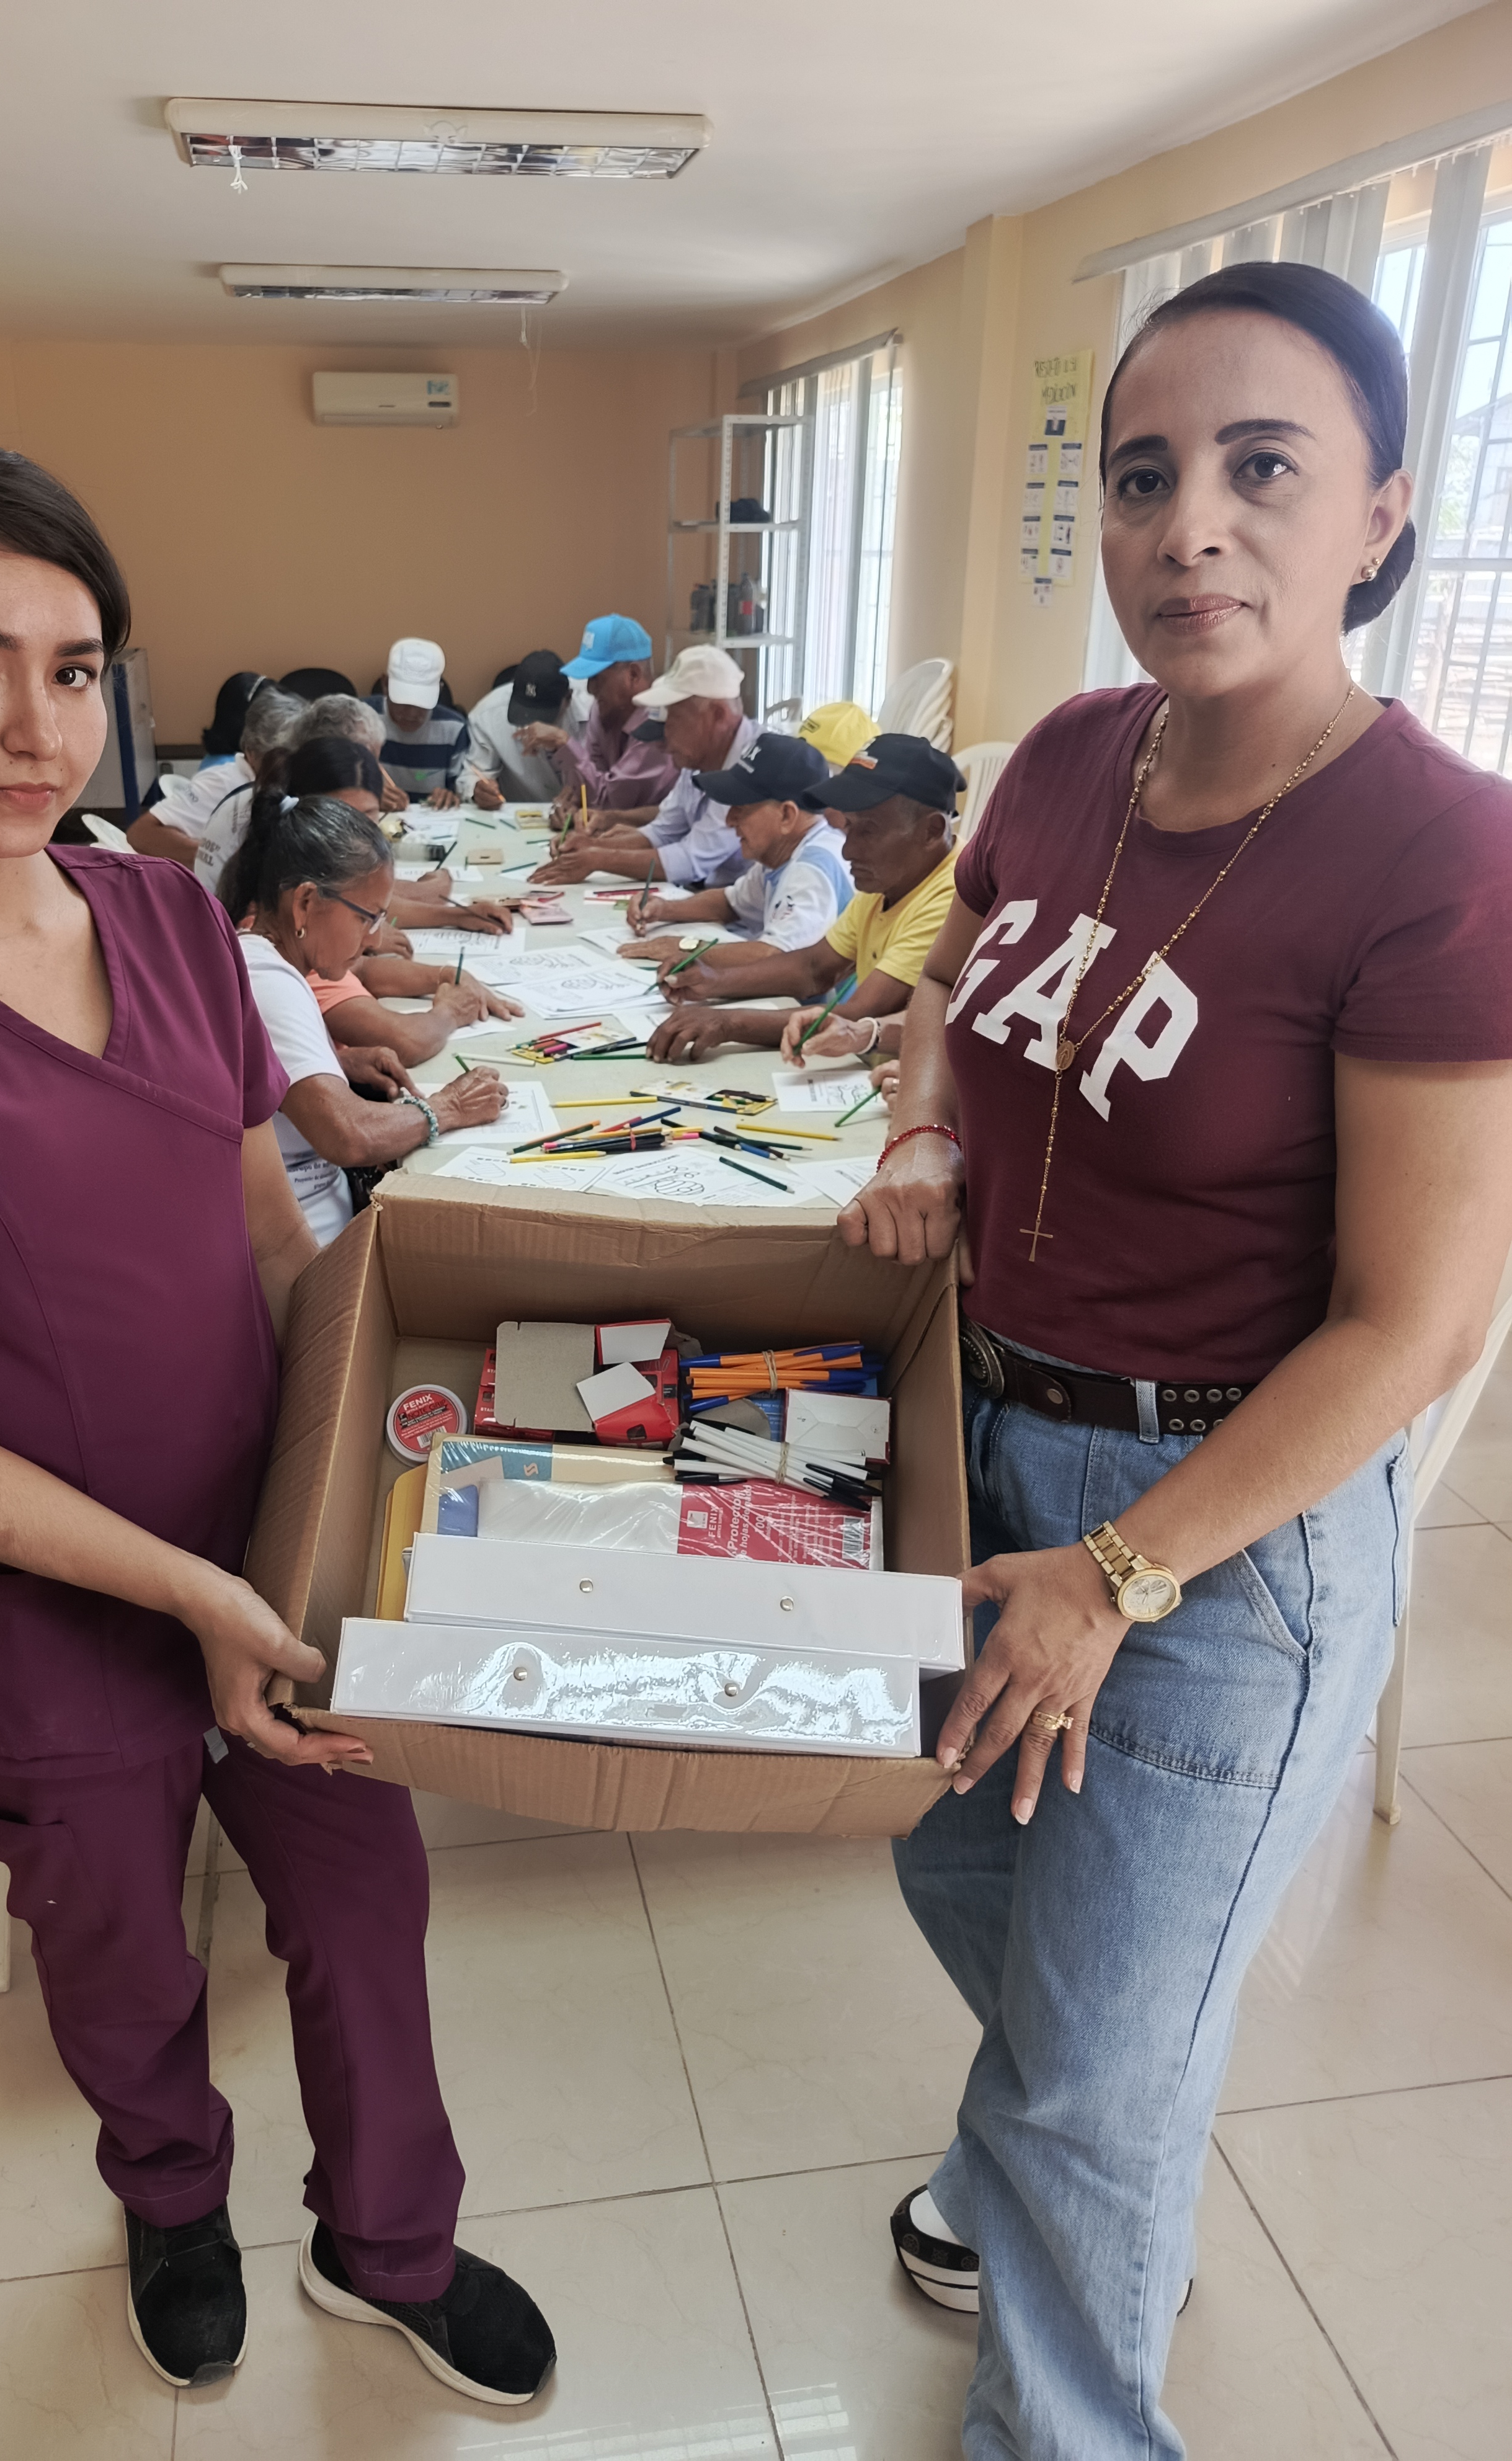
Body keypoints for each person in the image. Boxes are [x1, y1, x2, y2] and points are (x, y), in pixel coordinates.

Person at [0, 428, 555, 2406]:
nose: (36, 728)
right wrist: (186, 1596)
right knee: (120, 1950)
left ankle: (389, 2242)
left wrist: (418, 1448)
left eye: (73, 670)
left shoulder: (163, 924)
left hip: (265, 1536)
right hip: (35, 1604)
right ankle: (172, 2196)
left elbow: (270, 1241)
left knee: (367, 1898)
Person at [845, 262, 1512, 2460]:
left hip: (1216, 1535)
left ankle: (1067, 2302)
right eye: (1141, 476)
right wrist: (923, 1128)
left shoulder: (1437, 849)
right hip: (983, 1446)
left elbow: (1409, 1322)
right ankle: (1085, 2138)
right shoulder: (1066, 750)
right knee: (957, 1869)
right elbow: (949, 968)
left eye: (1259, 469)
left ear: (1379, 515)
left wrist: (1116, 1572)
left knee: (1084, 2074)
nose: (1186, 526)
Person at [218, 793, 509, 1245]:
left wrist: (338, 1065)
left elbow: (262, 1079)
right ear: (306, 903)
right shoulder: (269, 980)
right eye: (367, 918)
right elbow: (348, 1135)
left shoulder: (264, 960)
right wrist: (448, 1108)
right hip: (310, 1242)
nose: (374, 939)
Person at [645, 733, 959, 1064]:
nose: (849, 850)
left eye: (868, 831)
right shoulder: (895, 876)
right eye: (849, 827)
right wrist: (713, 981)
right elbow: (814, 967)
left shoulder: (952, 896)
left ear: (931, 831)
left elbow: (859, 1014)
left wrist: (727, 1023)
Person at [211, 737, 524, 1068]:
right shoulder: (275, 964)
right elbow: (401, 1044)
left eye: (369, 818)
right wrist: (450, 1011)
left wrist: (447, 974)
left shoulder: (289, 922)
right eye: (366, 919)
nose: (375, 939)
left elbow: (363, 967)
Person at [532, 645, 759, 887]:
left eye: (675, 719)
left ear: (718, 715)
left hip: (741, 907)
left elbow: (691, 860)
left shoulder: (754, 765)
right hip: (710, 894)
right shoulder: (699, 757)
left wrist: (597, 858)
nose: (666, 736)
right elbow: (664, 830)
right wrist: (591, 845)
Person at [618, 733, 851, 968]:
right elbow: (731, 903)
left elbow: (778, 959)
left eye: (742, 808)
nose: (730, 821)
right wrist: (665, 909)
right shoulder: (784, 853)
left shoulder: (812, 869)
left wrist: (686, 949)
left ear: (787, 816)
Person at [128, 683, 300, 868]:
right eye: (279, 756)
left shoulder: (294, 780)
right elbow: (141, 834)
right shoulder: (223, 781)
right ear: (251, 750)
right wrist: (217, 859)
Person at [545, 615, 678, 817]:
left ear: (633, 675)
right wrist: (572, 801)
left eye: (598, 678)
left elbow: (610, 801)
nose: (590, 689)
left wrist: (563, 742)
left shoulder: (658, 721)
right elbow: (590, 787)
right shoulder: (603, 711)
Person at [456, 649, 587, 808]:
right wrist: (477, 789)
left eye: (543, 716)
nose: (534, 725)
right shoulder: (488, 714)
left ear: (568, 698)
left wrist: (566, 744)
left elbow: (606, 779)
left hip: (583, 812)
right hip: (517, 814)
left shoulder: (593, 711)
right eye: (525, 713)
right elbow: (473, 774)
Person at [367, 638, 469, 808]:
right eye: (403, 701)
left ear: (439, 691)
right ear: (385, 684)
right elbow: (339, 784)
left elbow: (462, 788)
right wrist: (368, 793)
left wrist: (451, 796)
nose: (412, 714)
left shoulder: (454, 728)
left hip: (432, 818)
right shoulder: (360, 720)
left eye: (422, 703)